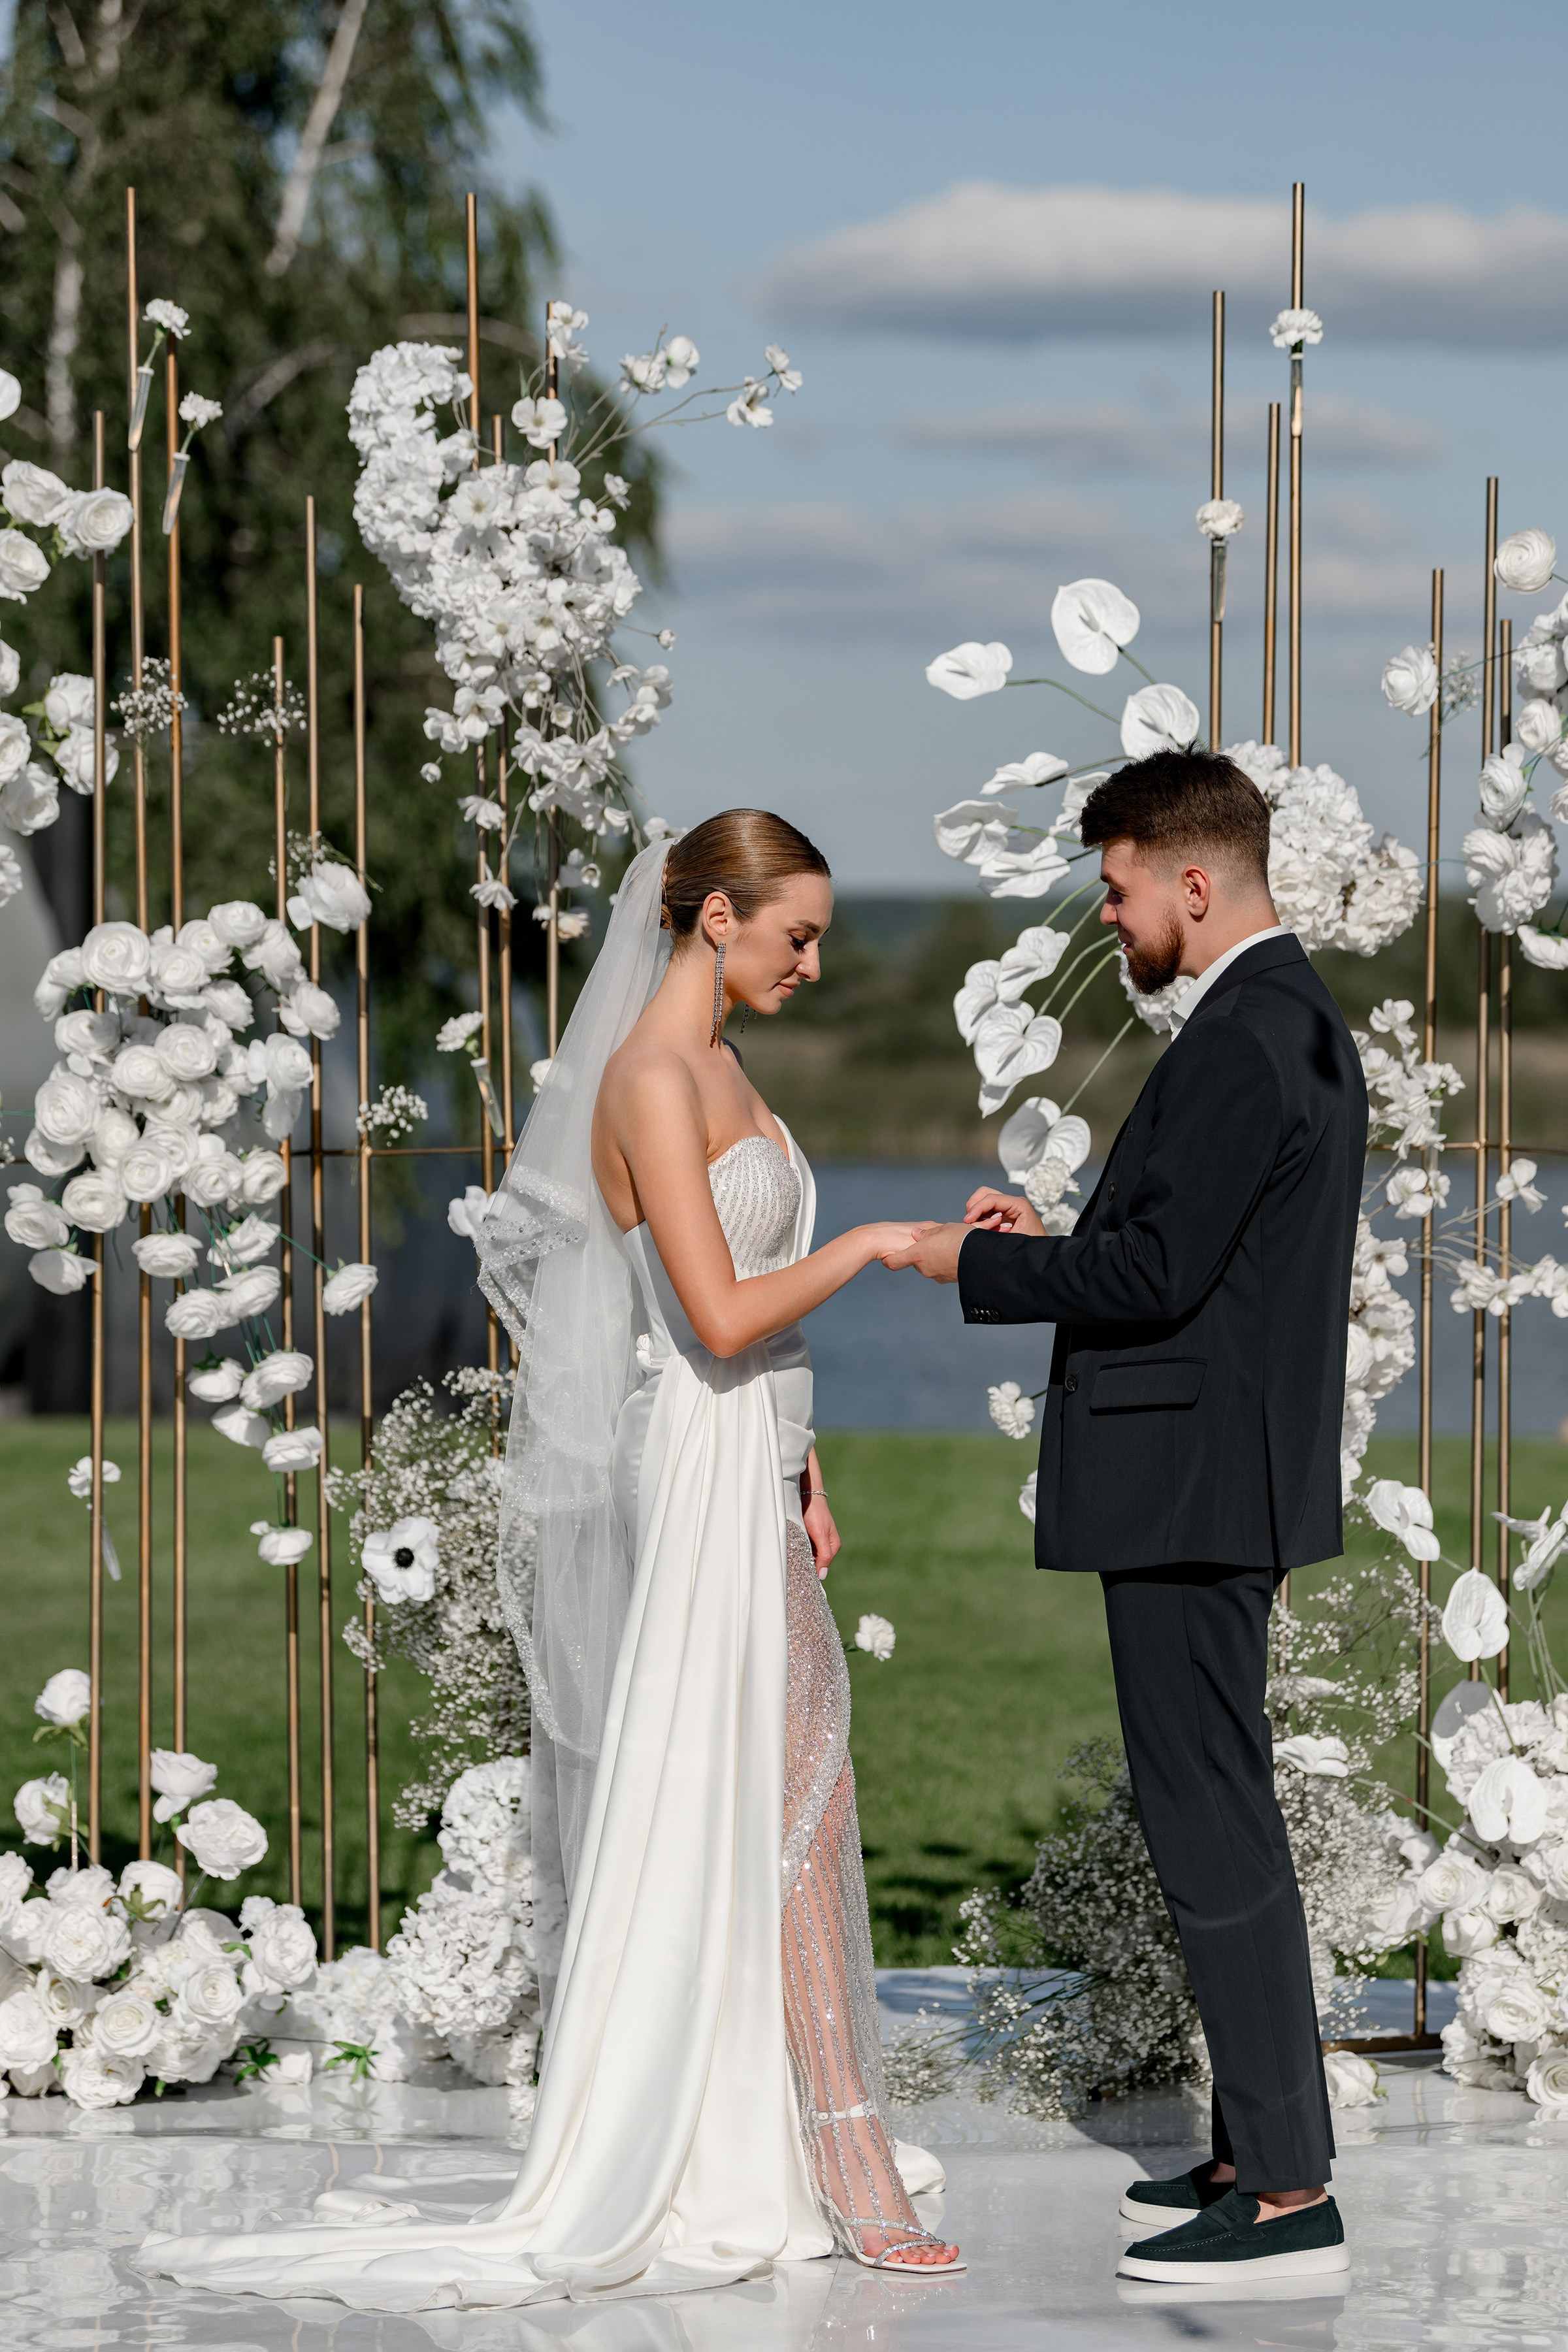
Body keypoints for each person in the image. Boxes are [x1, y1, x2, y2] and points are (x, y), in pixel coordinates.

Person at [138, 811, 960, 2315]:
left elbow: (741, 1325)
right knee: (792, 1784)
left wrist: (806, 1464)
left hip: (751, 1465)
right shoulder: (653, 1077)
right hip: (700, 1463)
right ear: (713, 919)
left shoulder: (721, 1062)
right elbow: (708, 1314)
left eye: (822, 935)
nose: (816, 962)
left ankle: (795, 2128)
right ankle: (843, 2154)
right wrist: (887, 1248)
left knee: (787, 1780)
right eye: (797, 934)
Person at [889, 751, 1365, 2288]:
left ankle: (1289, 2196)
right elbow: (1188, 1255)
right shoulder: (1274, 1019)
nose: (1111, 918)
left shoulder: (1245, 1034)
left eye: (1117, 887)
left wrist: (968, 1268)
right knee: (1214, 1810)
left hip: (1194, 1485)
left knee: (1213, 1819)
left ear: (1193, 881)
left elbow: (1159, 1288)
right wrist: (1064, 1238)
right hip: (1220, 1471)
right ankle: (1254, 2147)